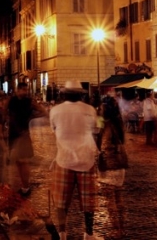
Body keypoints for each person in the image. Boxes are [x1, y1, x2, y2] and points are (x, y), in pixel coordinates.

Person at [49, 80, 103, 240]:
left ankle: (62, 233)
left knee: (61, 200)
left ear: (63, 94)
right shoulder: (90, 110)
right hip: (86, 160)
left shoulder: (55, 110)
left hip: (63, 159)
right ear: (81, 94)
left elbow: (54, 130)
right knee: (88, 200)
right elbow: (97, 129)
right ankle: (89, 233)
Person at [98, 93, 129, 240]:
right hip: (120, 165)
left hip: (109, 166)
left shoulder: (107, 125)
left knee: (110, 201)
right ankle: (121, 228)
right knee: (119, 198)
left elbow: (103, 145)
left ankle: (116, 231)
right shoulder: (119, 123)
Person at [8, 81, 47, 196]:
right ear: (18, 90)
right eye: (23, 90)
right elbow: (7, 114)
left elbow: (43, 111)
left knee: (23, 161)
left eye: (26, 90)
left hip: (23, 134)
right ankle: (21, 186)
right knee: (17, 162)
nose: (25, 92)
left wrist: (32, 117)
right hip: (14, 133)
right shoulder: (12, 101)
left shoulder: (29, 102)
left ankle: (25, 187)